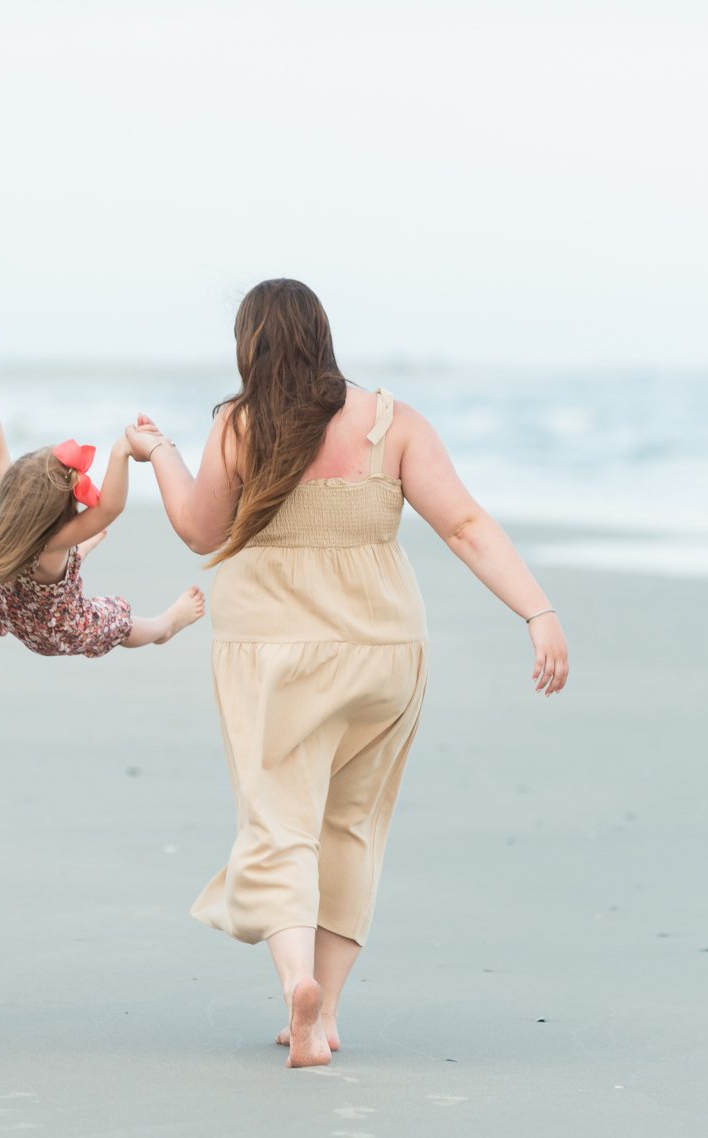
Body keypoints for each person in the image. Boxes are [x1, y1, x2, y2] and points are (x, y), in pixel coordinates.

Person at [126, 278, 569, 1068]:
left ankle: (296, 982)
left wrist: (157, 451)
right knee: (352, 825)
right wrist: (537, 612)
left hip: (275, 653)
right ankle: (325, 1011)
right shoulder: (391, 422)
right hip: (385, 653)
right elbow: (466, 526)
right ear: (324, 337)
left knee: (279, 823)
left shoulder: (240, 424)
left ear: (249, 346)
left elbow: (198, 529)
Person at [0, 360, 203, 653]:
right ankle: (166, 626)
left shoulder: (5, 502)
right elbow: (110, 508)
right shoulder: (53, 542)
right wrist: (122, 450)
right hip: (55, 629)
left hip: (15, 608)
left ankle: (84, 550)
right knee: (119, 623)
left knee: (63, 557)